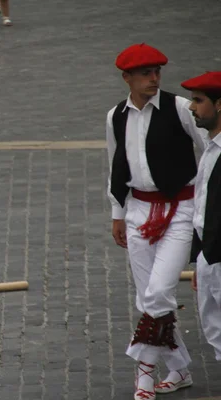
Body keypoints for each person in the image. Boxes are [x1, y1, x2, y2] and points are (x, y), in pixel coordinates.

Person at [105, 43, 207, 400]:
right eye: (146, 73)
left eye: (157, 71)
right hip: (138, 211)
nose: (154, 78)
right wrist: (118, 213)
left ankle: (145, 370)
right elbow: (115, 163)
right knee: (147, 297)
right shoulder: (116, 115)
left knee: (159, 290)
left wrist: (205, 211)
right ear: (127, 78)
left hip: (180, 209)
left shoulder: (181, 108)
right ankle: (178, 369)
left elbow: (210, 153)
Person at [182, 71, 221, 362]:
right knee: (214, 329)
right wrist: (202, 260)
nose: (192, 107)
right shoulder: (211, 147)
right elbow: (202, 210)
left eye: (199, 100)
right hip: (210, 255)